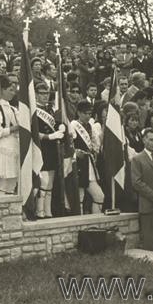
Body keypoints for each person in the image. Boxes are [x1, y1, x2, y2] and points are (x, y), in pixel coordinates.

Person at [131, 128, 153, 251]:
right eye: (151, 139)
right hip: (148, 206)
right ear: (144, 140)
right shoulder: (137, 159)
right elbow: (137, 183)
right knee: (149, 241)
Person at [35, 83, 65, 218]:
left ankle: (48, 210)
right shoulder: (33, 110)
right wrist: (49, 136)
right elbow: (33, 133)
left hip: (52, 148)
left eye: (46, 93)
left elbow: (55, 123)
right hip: (41, 147)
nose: (44, 96)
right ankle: (39, 209)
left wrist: (61, 127)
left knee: (51, 182)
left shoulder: (50, 109)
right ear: (35, 94)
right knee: (44, 181)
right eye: (41, 93)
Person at [0, 75, 20, 196]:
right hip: (3, 149)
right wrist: (14, 128)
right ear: (2, 90)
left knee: (12, 182)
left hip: (14, 147)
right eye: (10, 90)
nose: (13, 93)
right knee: (3, 181)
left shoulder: (12, 108)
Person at [71, 101, 105, 214]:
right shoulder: (73, 125)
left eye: (90, 113)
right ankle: (79, 222)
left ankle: (96, 223)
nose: (88, 116)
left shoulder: (90, 126)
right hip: (78, 165)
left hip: (90, 164)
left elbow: (96, 145)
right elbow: (68, 146)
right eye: (85, 113)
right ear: (79, 113)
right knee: (78, 198)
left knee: (100, 196)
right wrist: (75, 152)